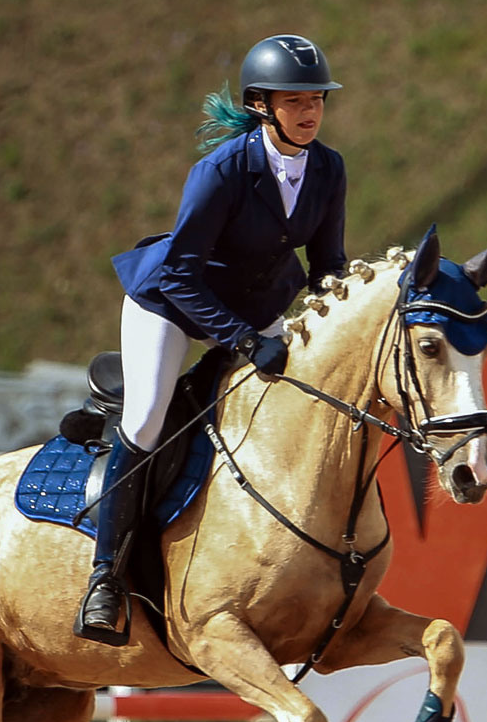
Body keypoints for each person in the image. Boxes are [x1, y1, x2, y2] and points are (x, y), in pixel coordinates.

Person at [79, 33, 349, 644]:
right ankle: (104, 579)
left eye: (318, 100)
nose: (310, 111)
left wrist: (356, 304)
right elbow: (180, 272)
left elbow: (327, 262)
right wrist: (247, 342)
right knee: (148, 420)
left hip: (257, 305)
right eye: (295, 100)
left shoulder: (328, 167)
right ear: (261, 104)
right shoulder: (222, 171)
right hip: (172, 302)